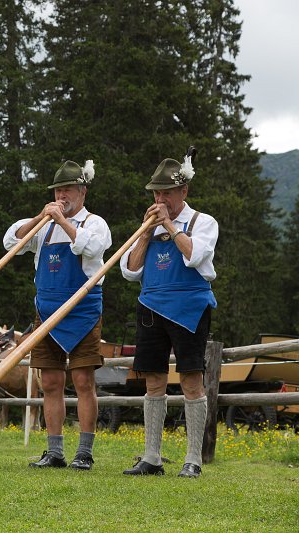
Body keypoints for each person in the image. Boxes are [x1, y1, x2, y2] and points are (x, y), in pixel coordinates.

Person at [3, 160, 111, 471]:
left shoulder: (95, 223)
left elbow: (87, 248)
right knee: (49, 381)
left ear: (83, 191)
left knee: (82, 380)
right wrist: (41, 217)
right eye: (57, 190)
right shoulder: (44, 224)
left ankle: (85, 452)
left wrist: (63, 221)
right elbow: (12, 241)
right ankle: (54, 452)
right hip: (46, 312)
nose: (62, 195)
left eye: (68, 189)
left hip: (82, 313)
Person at [120, 153, 217, 478]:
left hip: (189, 307)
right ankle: (152, 457)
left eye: (167, 194)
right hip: (150, 307)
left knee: (191, 380)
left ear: (184, 192)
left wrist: (170, 226)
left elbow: (194, 255)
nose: (160, 200)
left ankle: (193, 459)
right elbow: (130, 270)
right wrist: (147, 231)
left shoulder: (202, 222)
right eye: (156, 194)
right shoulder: (148, 226)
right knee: (153, 381)